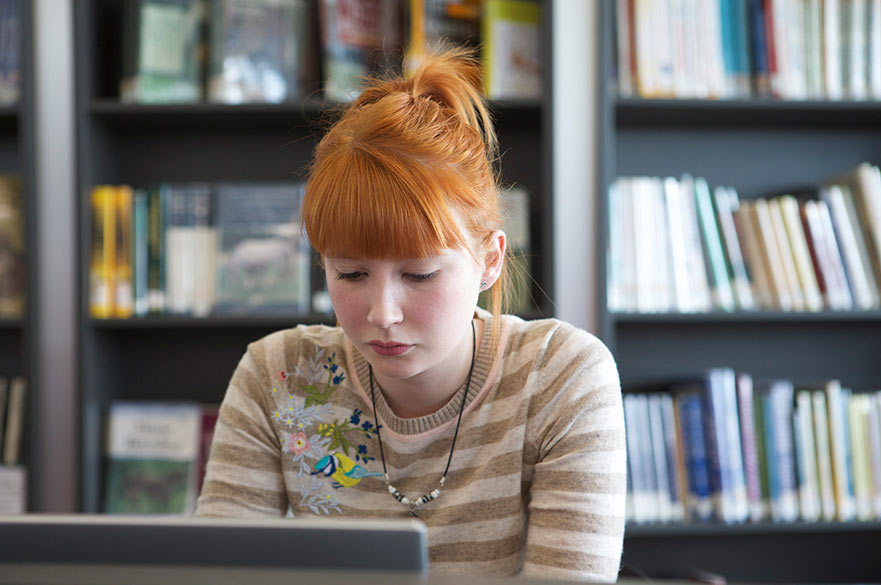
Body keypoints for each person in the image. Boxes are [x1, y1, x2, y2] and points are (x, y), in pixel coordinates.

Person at [196, 47, 626, 582]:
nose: (383, 314)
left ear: (490, 259)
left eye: (420, 275)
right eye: (350, 275)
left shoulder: (561, 376)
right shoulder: (276, 375)